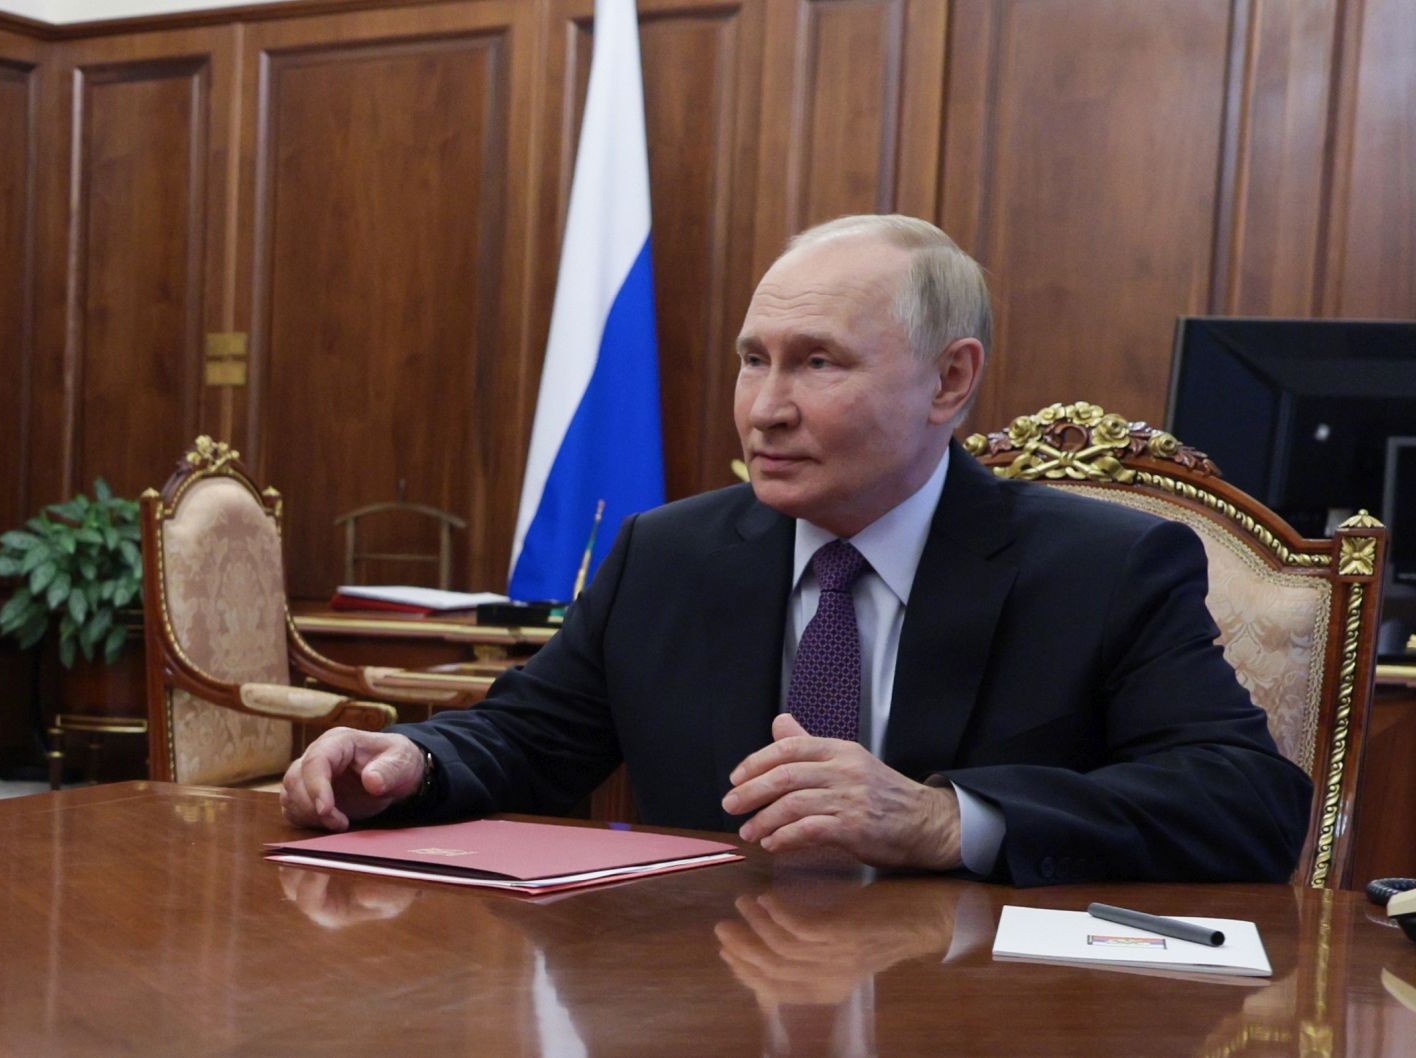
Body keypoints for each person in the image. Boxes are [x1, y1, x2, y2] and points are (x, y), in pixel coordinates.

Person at [282, 214, 1312, 886]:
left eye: (817, 362)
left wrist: (947, 819)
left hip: (977, 1014)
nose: (764, 410)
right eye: (751, 361)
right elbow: (531, 742)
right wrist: (411, 761)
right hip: (705, 993)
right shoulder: (665, 553)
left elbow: (1245, 805)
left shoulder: (1104, 566)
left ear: (949, 382)